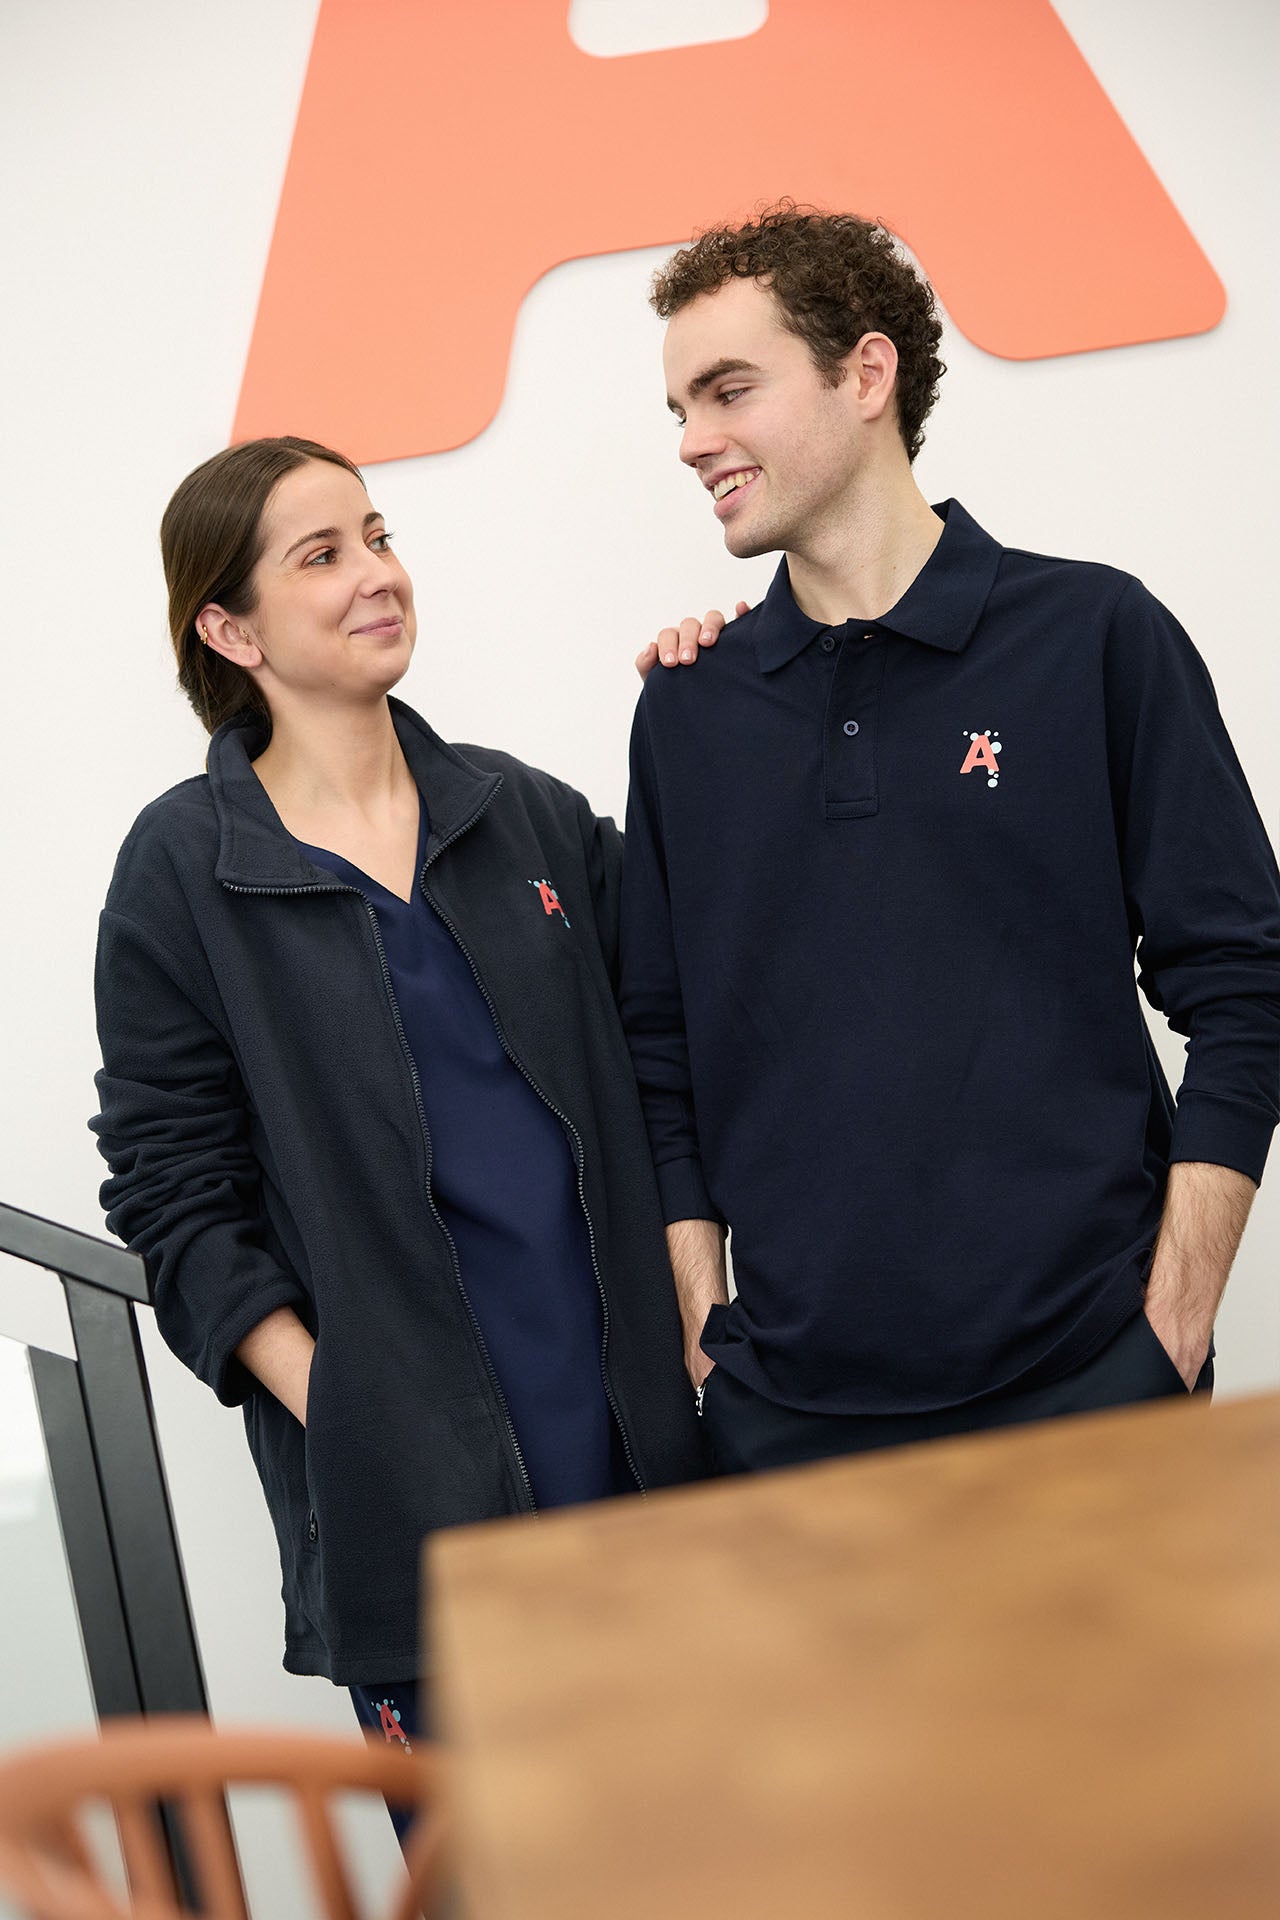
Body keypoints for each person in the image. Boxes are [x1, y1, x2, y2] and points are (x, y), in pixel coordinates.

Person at [91, 437, 706, 1804]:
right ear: (230, 630)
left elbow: (696, 1025)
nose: (378, 574)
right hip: (422, 1527)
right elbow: (169, 1187)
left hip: (651, 1473)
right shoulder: (185, 870)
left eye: (377, 535)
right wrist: (343, 1406)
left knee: (732, 1864)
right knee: (501, 1885)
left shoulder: (525, 817)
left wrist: (717, 710)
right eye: (323, 556)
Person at [622, 205, 1280, 1475]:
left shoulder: (1092, 637)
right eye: (679, 409)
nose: (693, 440)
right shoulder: (688, 712)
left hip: (1090, 1389)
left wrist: (1172, 1326)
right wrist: (709, 1347)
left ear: (864, 374)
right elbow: (658, 1060)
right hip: (790, 1427)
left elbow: (1242, 982)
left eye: (728, 390)